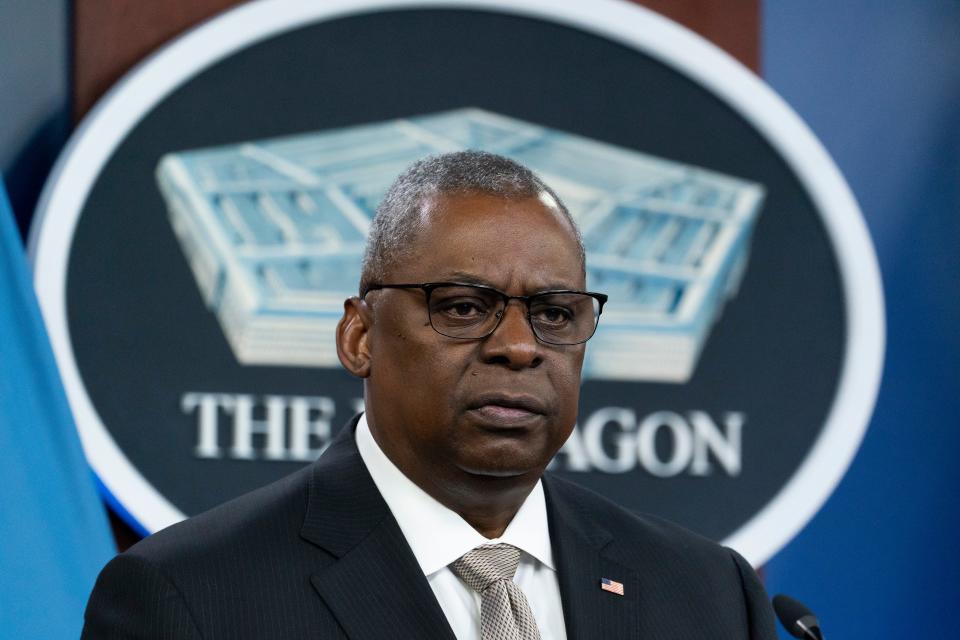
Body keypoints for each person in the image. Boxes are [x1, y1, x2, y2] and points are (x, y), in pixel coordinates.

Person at [82, 151, 777, 639]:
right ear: (359, 337)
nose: (520, 345)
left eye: (555, 314)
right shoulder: (190, 597)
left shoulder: (709, 595)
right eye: (464, 307)